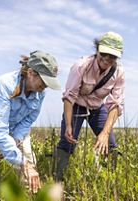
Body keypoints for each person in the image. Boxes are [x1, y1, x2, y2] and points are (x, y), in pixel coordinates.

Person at [0, 50, 61, 193]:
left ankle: (28, 194)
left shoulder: (40, 91)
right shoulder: (4, 84)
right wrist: (18, 157)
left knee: (29, 161)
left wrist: (16, 140)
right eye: (44, 81)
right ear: (31, 72)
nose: (45, 86)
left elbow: (29, 119)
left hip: (17, 126)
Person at [54, 32, 125, 181]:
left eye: (112, 56)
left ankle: (110, 182)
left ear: (117, 57)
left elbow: (115, 104)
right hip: (76, 106)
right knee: (67, 142)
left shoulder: (119, 73)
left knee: (110, 146)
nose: (106, 58)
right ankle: (57, 181)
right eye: (104, 53)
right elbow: (69, 96)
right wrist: (68, 125)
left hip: (97, 108)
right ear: (97, 49)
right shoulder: (81, 65)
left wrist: (104, 133)